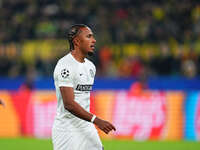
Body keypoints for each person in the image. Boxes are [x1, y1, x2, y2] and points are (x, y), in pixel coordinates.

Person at [52, 24, 116, 150]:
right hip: (67, 130)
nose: (94, 40)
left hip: (86, 127)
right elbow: (69, 104)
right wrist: (96, 120)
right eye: (89, 36)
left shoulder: (91, 67)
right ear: (76, 41)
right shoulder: (65, 66)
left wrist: (92, 122)